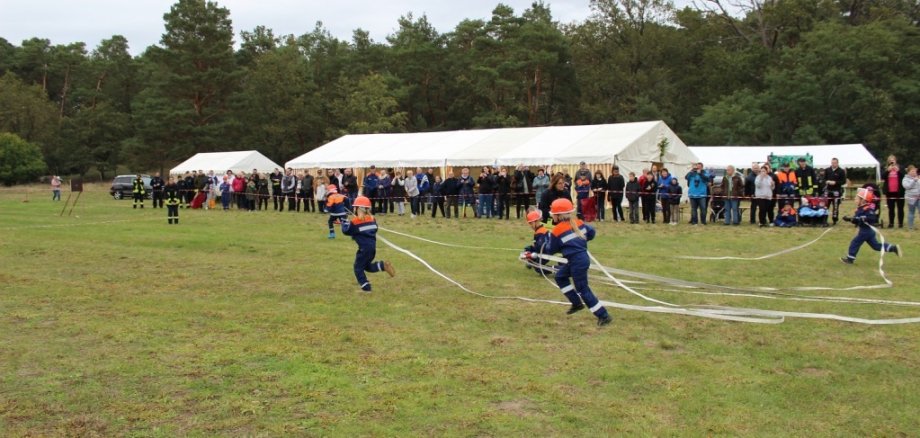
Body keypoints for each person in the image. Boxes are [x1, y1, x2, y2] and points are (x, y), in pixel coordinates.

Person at [537, 198, 612, 326]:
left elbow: (551, 250)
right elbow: (592, 232)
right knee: (560, 277)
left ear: (559, 215)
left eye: (553, 214)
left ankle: (603, 315)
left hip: (577, 262)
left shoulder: (557, 230)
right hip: (579, 260)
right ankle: (576, 303)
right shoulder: (579, 223)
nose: (552, 216)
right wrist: (580, 242)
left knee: (583, 289)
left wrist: (545, 242)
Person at [341, 196, 396, 292]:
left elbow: (347, 231)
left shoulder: (355, 221)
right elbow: (374, 229)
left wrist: (344, 223)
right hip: (372, 248)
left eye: (355, 207)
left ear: (358, 208)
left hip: (364, 250)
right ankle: (383, 266)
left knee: (358, 268)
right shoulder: (372, 219)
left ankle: (366, 287)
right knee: (366, 266)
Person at [841, 187, 903, 264]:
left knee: (855, 242)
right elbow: (856, 220)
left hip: (866, 231)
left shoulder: (868, 209)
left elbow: (871, 217)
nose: (855, 199)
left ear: (863, 200)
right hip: (867, 232)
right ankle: (893, 248)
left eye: (857, 198)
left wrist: (862, 218)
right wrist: (849, 219)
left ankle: (850, 259)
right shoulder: (860, 208)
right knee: (876, 246)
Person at [522, 209, 551, 276]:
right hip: (543, 251)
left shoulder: (541, 232)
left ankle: (555, 269)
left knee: (538, 269)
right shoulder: (539, 231)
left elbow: (541, 247)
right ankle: (530, 262)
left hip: (545, 253)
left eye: (531, 223)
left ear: (536, 222)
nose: (530, 225)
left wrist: (532, 253)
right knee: (528, 249)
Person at [882, 161, 906, 228]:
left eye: (894, 164)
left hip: (899, 193)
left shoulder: (900, 171)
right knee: (891, 209)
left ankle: (900, 224)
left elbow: (904, 177)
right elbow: (882, 177)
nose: (893, 166)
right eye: (891, 165)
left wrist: (898, 171)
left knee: (900, 209)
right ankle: (891, 223)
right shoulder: (887, 171)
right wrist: (887, 171)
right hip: (889, 193)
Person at [824, 158, 846, 225]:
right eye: (832, 163)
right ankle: (824, 219)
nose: (833, 164)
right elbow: (824, 179)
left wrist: (835, 182)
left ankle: (835, 219)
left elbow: (843, 181)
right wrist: (827, 181)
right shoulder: (827, 170)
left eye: (835, 163)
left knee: (835, 206)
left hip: (836, 191)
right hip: (828, 191)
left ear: (837, 163)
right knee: (826, 206)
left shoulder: (841, 171)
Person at [903, 165, 919, 230]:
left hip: (919, 197)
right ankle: (910, 227)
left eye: (915, 171)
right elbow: (907, 186)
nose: (914, 172)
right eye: (912, 171)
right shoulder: (905, 179)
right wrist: (914, 181)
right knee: (911, 212)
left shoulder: (918, 178)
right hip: (911, 198)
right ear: (908, 172)